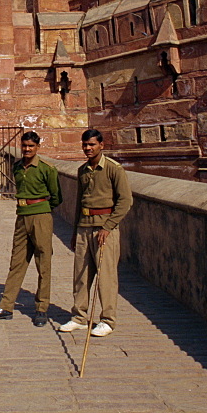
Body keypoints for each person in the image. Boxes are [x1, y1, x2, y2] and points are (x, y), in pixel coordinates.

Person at [0, 131, 61, 327]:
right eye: (24, 146)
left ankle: (42, 308)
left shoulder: (46, 169)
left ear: (37, 147)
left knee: (43, 264)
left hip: (41, 216)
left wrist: (42, 211)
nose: (27, 149)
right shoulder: (17, 167)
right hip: (22, 216)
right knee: (16, 262)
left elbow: (56, 196)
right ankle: (6, 306)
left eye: (31, 146)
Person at [59, 128, 133, 337]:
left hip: (104, 229)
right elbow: (79, 203)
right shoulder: (83, 171)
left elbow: (125, 201)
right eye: (85, 145)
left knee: (106, 276)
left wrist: (108, 227)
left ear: (101, 145)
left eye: (92, 145)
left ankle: (108, 320)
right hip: (84, 226)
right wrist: (75, 232)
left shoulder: (113, 169)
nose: (88, 148)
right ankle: (79, 317)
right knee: (81, 275)